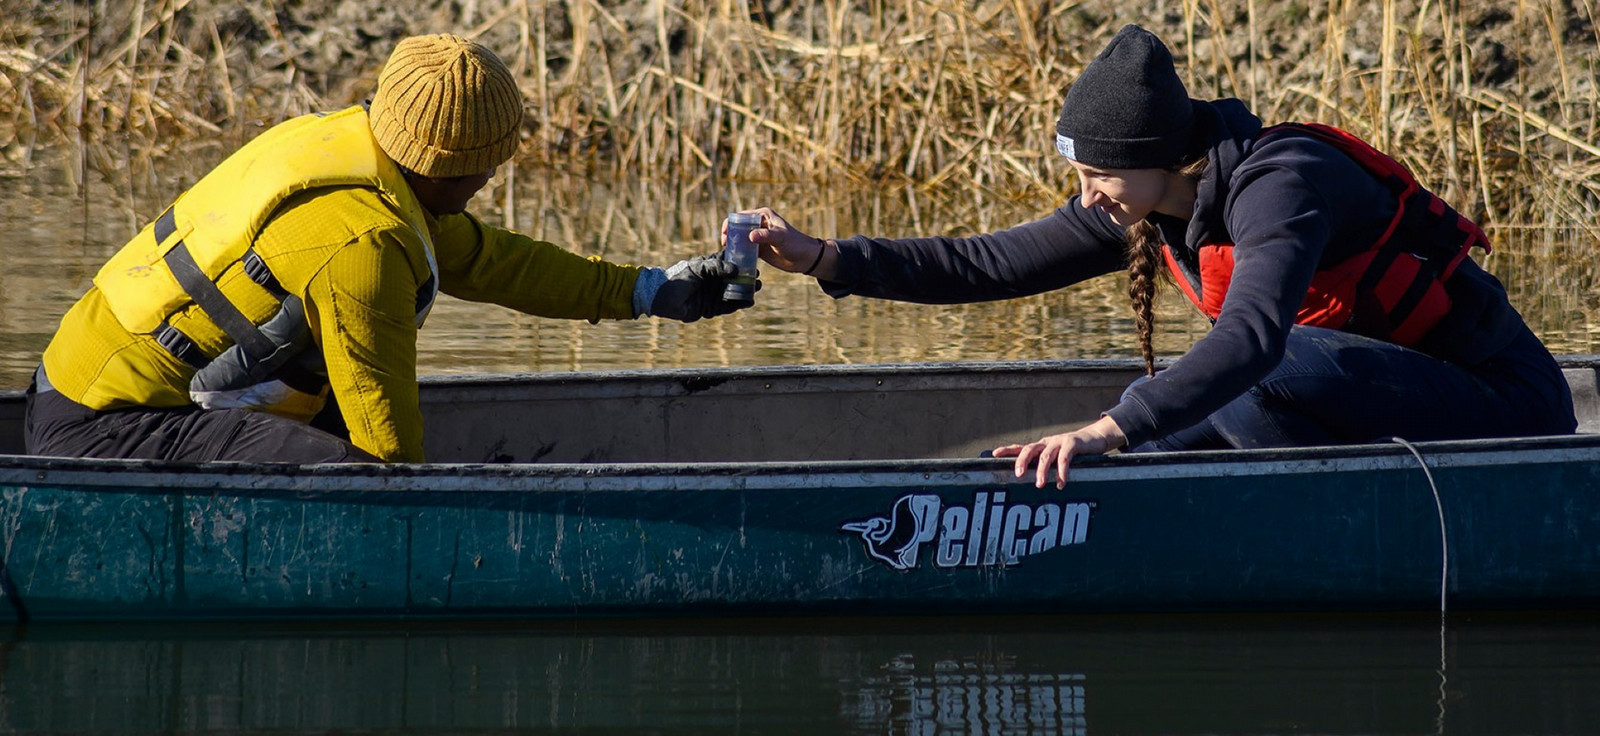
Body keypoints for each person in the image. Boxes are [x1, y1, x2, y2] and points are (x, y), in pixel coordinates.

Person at [743, 24, 1576, 488]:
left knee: (1239, 380)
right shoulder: (1143, 203)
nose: (1086, 197)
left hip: (1505, 409)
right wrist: (824, 258)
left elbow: (1253, 339)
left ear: (1159, 158)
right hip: (1364, 398)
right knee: (1175, 434)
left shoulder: (1283, 182)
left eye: (1098, 175)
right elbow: (984, 264)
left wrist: (1106, 426)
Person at [25, 33, 751, 464]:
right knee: (350, 474)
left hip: (67, 386)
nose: (491, 180)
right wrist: (419, 524)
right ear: (447, 167)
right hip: (103, 429)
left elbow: (490, 261)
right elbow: (386, 436)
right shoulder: (362, 243)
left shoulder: (358, 156)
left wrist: (650, 290)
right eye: (487, 166)